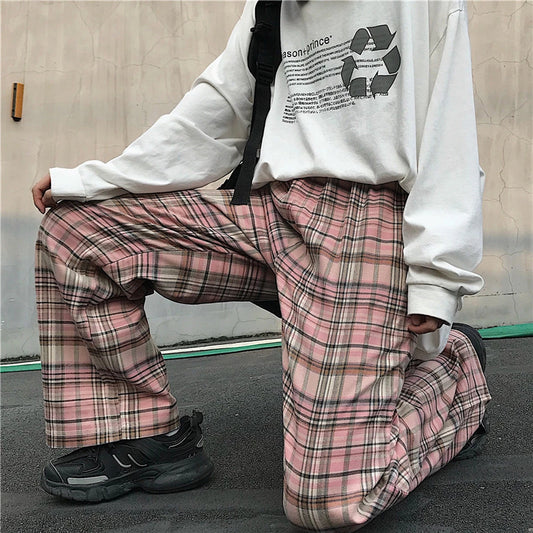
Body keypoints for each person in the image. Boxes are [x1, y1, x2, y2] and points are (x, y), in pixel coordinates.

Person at [32, 0, 491, 530]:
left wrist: (437, 278)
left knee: (329, 501)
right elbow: (213, 117)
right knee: (76, 231)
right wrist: (92, 181)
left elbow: (450, 139)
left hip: (367, 216)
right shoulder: (269, 6)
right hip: (266, 209)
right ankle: (142, 433)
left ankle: (456, 372)